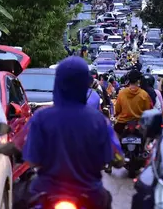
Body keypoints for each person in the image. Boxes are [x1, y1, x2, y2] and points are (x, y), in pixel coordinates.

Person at [22, 57, 116, 209]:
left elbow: (32, 160)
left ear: (58, 83)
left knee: (20, 200)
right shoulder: (98, 120)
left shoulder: (41, 117)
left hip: (45, 190)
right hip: (90, 192)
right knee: (106, 199)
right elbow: (111, 157)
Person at [114, 70, 152, 135]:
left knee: (114, 137)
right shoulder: (144, 94)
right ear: (138, 80)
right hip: (139, 124)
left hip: (122, 123)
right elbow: (148, 111)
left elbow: (117, 109)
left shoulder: (122, 93)